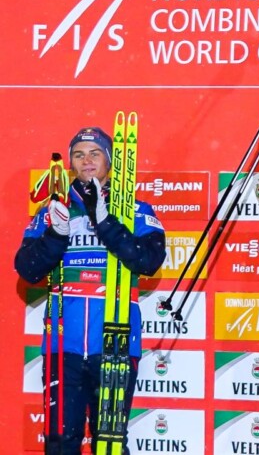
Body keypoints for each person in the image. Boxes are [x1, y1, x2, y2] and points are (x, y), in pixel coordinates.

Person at [15, 126, 166, 454]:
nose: (87, 161)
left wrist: (105, 221)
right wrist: (56, 233)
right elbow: (27, 268)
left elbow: (149, 260)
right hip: (62, 344)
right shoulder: (52, 211)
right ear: (70, 163)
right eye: (79, 154)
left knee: (109, 443)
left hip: (115, 340)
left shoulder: (137, 211)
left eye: (95, 153)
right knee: (59, 441)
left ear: (109, 162)